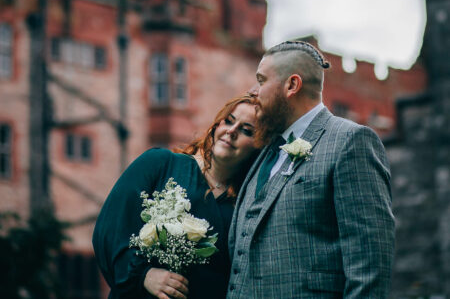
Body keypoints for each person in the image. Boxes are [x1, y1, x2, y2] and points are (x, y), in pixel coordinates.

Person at [227, 41, 395, 298]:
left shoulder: (350, 141)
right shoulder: (264, 150)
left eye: (261, 81)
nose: (253, 92)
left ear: (291, 85)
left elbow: (370, 266)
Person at [93, 95, 261, 299]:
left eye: (246, 130)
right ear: (217, 125)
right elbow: (110, 230)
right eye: (229, 120)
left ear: (258, 146)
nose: (231, 131)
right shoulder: (160, 164)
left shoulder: (246, 203)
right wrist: (144, 275)